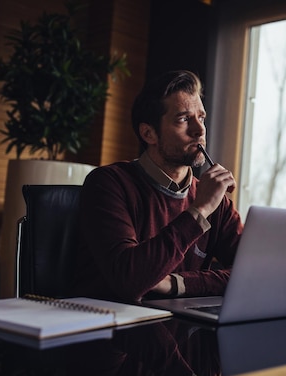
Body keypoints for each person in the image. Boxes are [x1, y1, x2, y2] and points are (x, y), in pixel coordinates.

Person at [74, 70, 243, 303]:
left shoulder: (216, 201)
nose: (200, 130)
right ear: (148, 133)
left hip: (182, 329)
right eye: (183, 119)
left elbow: (253, 274)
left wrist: (178, 284)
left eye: (201, 118)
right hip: (113, 328)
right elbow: (129, 281)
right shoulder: (108, 183)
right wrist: (200, 210)